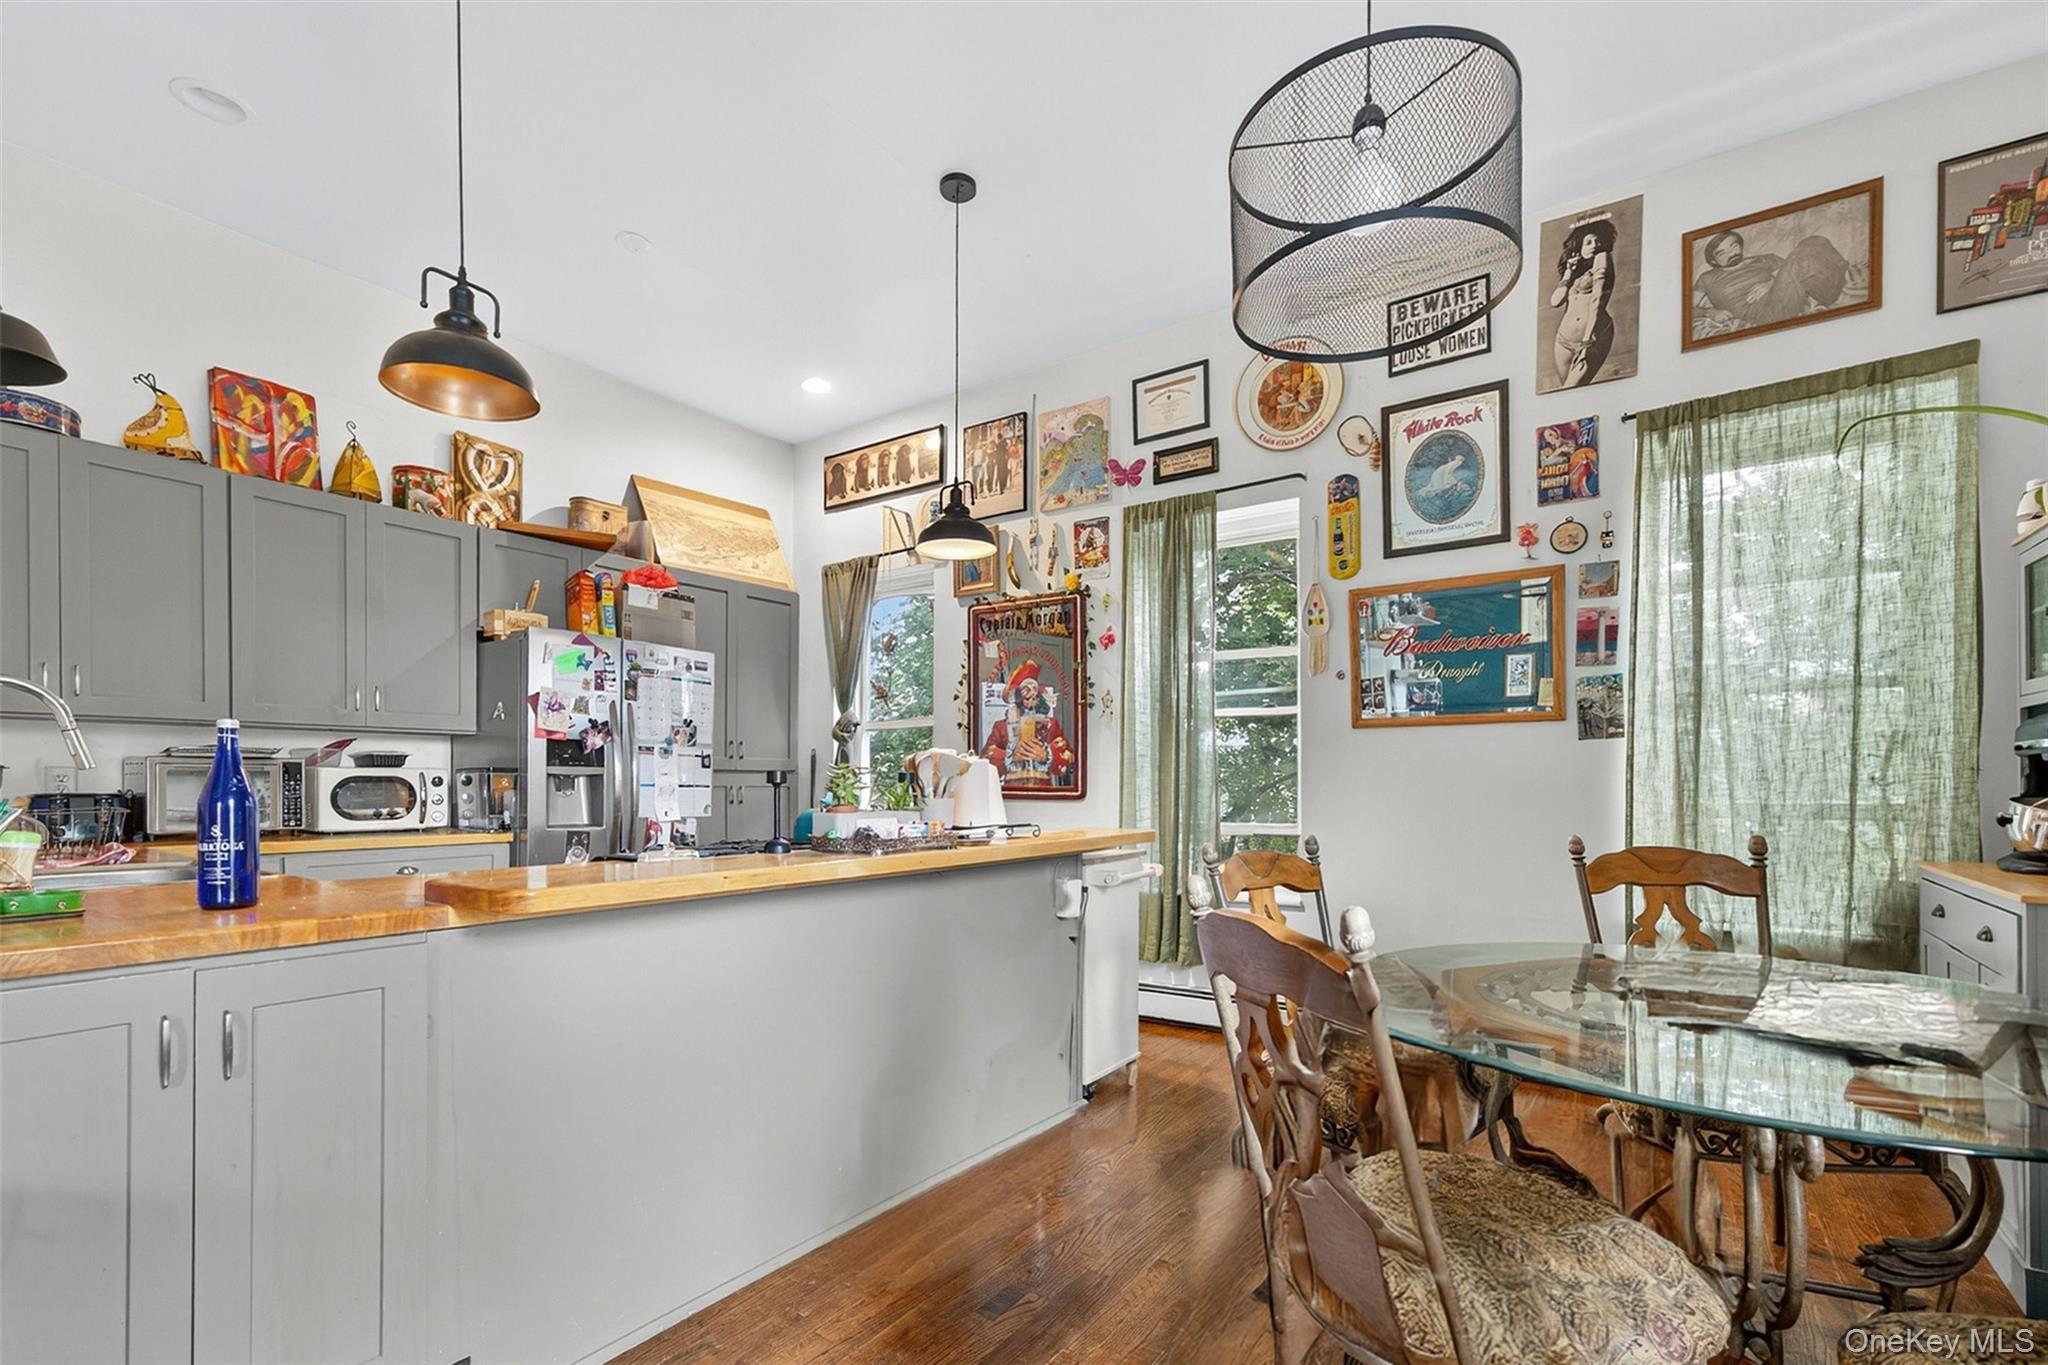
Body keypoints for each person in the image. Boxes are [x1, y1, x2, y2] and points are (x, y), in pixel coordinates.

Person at [1693, 228, 1856, 332]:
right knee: (1799, 256)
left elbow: (1794, 274)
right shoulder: (1707, 278)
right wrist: (1709, 312)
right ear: (1713, 261)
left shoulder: (1763, 259)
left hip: (1784, 298)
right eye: (1722, 253)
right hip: (1764, 314)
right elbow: (1685, 310)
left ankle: (1833, 289)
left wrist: (1771, 283)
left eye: (1734, 246)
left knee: (1813, 241)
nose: (1732, 253)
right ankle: (1835, 294)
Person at [979, 660, 1075, 788]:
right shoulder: (1001, 727)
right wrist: (1009, 756)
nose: (1031, 704)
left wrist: (1047, 755)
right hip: (1012, 794)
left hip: (1044, 793)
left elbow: (1070, 759)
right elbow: (984, 761)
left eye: (1035, 698)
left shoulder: (1050, 725)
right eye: (1026, 699)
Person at [1549, 218, 1617, 387]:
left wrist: (1587, 341)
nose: (1593, 245)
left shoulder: (1603, 260)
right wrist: (1568, 273)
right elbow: (1555, 301)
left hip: (1592, 338)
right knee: (1566, 397)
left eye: (1597, 241)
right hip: (1563, 341)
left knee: (1570, 388)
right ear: (1579, 247)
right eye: (1588, 242)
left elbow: (1597, 301)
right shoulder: (1574, 272)